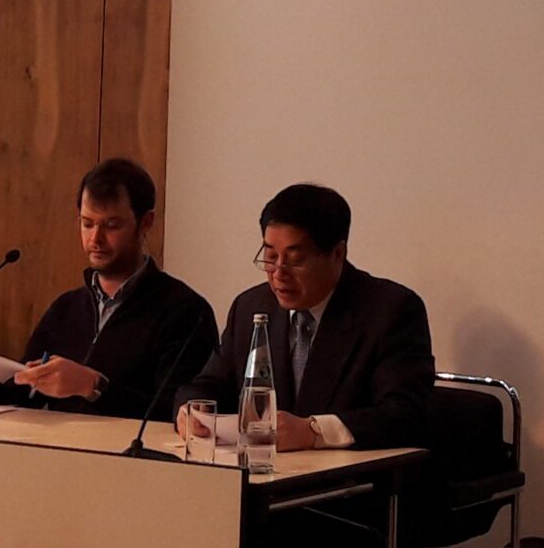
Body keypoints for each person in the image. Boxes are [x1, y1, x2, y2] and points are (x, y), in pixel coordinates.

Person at [176, 183, 434, 452]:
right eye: (270, 256)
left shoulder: (389, 310)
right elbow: (209, 384)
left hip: (350, 475)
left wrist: (313, 431)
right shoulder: (250, 307)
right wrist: (191, 410)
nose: (278, 273)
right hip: (262, 470)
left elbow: (406, 414)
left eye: (295, 261)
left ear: (337, 254)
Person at [6, 159, 216, 419]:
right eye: (87, 223)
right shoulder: (65, 309)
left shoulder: (186, 311)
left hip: (133, 447)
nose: (95, 239)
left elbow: (178, 414)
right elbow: (22, 396)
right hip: (58, 444)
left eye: (112, 225)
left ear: (146, 222)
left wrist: (94, 386)